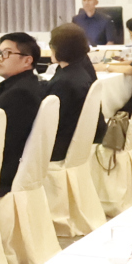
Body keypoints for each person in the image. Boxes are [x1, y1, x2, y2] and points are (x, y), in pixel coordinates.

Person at [0, 32, 44, 197]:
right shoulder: (22, 85)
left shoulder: (20, 93)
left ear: (27, 60)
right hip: (0, 165)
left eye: (7, 53)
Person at [46, 22, 103, 160]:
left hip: (62, 147)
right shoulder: (80, 71)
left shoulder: (64, 81)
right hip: (81, 139)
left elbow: (50, 121)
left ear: (60, 48)